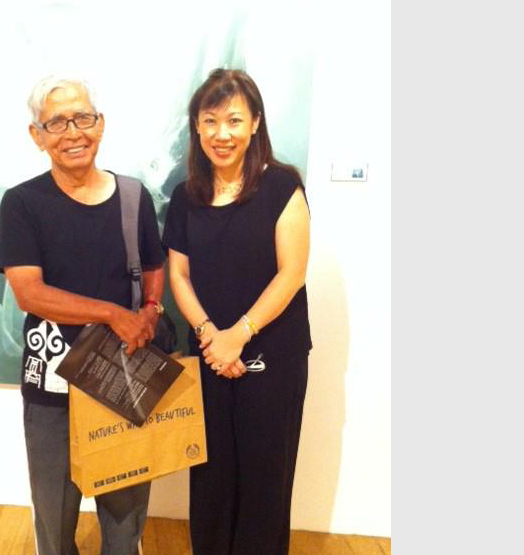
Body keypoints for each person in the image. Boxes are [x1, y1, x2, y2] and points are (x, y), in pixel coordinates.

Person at [0, 76, 166, 555]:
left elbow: (154, 265)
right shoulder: (22, 203)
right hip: (53, 380)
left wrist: (150, 310)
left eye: (83, 118)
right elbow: (29, 293)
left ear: (101, 124)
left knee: (126, 513)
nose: (73, 132)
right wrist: (113, 313)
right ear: (37, 135)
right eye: (57, 122)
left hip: (123, 375)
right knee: (54, 513)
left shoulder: (133, 196)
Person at [162, 68, 312, 555]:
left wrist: (238, 335)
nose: (221, 134)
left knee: (266, 477)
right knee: (210, 475)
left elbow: (291, 274)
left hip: (273, 355)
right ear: (196, 127)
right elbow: (179, 276)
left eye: (233, 120)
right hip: (209, 355)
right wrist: (212, 337)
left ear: (255, 123)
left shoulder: (282, 186)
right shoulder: (185, 195)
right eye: (210, 121)